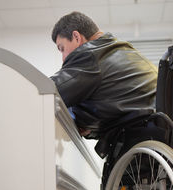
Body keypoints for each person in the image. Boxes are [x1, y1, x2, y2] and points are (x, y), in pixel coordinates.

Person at [50, 11, 158, 139]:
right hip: (159, 130)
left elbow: (50, 91)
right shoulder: (123, 49)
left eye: (62, 48)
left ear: (76, 37)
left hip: (138, 137)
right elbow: (115, 101)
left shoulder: (89, 54)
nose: (63, 58)